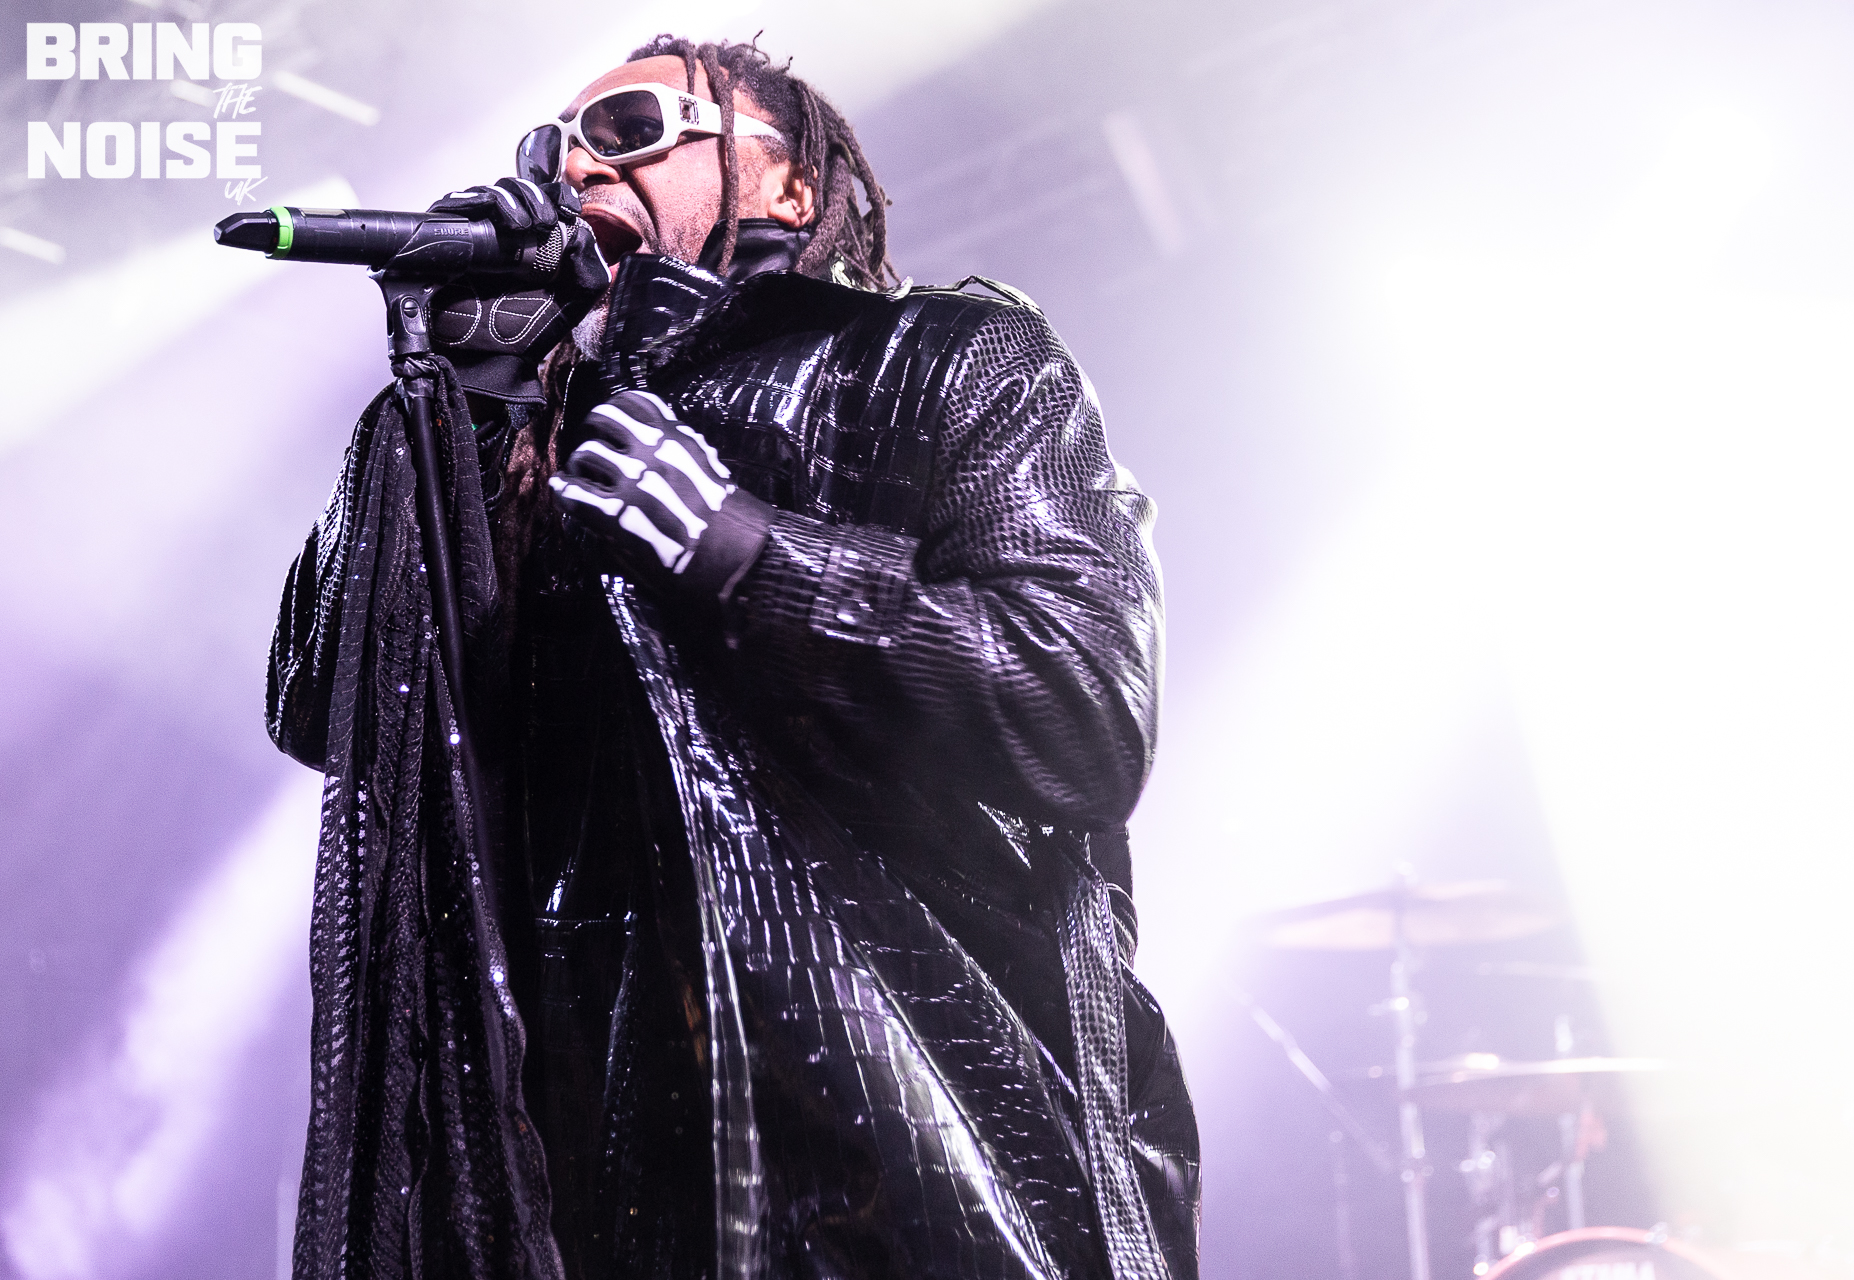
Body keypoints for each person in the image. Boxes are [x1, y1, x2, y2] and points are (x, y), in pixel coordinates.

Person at [267, 35, 1198, 1280]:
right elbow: (320, 705)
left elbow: (1082, 708)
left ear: (789, 186)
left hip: (921, 1171)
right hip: (589, 1182)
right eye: (551, 149)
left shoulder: (942, 358)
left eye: (631, 129)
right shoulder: (522, 442)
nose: (574, 170)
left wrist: (747, 553)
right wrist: (456, 406)